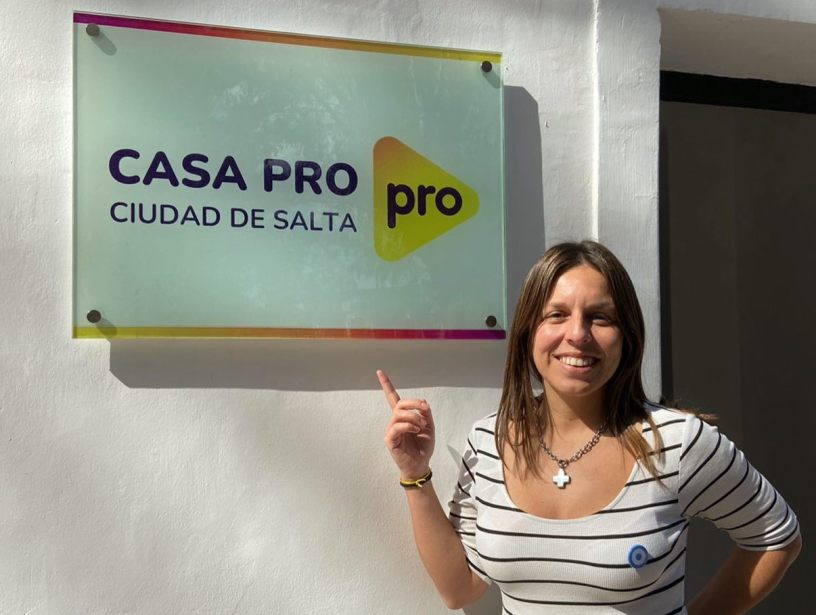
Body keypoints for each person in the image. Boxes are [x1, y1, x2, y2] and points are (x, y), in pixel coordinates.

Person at [379, 240, 801, 614]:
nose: (577, 334)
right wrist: (415, 474)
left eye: (600, 317)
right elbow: (460, 588)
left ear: (627, 336)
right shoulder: (489, 441)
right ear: (529, 332)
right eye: (556, 315)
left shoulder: (678, 443)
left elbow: (777, 537)